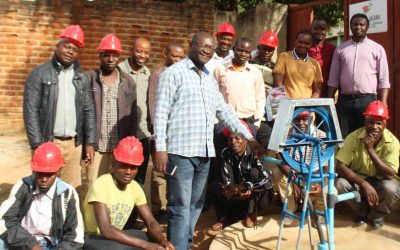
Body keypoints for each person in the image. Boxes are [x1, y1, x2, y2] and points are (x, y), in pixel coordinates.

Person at [153, 31, 265, 250]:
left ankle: (183, 243)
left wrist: (250, 138)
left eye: (211, 48)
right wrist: (160, 148)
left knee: (196, 204)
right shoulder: (173, 73)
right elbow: (160, 112)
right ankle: (179, 246)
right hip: (180, 153)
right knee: (179, 205)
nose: (207, 50)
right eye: (203, 46)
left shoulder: (208, 78)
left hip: (204, 153)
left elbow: (225, 111)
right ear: (191, 45)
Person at [23, 25, 96, 190]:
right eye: (67, 46)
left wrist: (89, 142)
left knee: (70, 191)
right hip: (48, 142)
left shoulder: (81, 77)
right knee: (43, 189)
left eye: (75, 49)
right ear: (58, 46)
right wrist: (37, 145)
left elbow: (88, 110)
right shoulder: (39, 74)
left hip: (74, 145)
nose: (70, 51)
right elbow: (30, 111)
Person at [83, 136, 175, 250]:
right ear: (113, 165)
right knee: (124, 248)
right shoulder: (101, 184)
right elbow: (106, 229)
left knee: (152, 238)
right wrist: (145, 245)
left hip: (115, 237)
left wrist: (162, 241)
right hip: (94, 238)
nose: (128, 172)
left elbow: (151, 222)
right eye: (123, 166)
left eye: (133, 167)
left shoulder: (135, 188)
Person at [0, 142, 84, 250]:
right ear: (34, 171)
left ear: (58, 171)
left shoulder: (68, 193)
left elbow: (74, 236)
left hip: (54, 245)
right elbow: (5, 220)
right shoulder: (23, 186)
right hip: (22, 242)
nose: (44, 179)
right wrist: (30, 245)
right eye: (40, 174)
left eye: (49, 175)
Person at [335, 101, 400, 229]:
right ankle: (362, 212)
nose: (374, 127)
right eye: (371, 122)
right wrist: (364, 184)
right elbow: (340, 166)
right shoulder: (354, 137)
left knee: (391, 188)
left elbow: (390, 173)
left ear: (385, 124)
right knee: (340, 184)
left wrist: (370, 150)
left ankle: (377, 215)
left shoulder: (392, 142)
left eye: (379, 123)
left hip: (381, 181)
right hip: (360, 181)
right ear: (365, 122)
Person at [86, 34, 137, 187]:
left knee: (114, 187)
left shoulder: (127, 82)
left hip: (118, 146)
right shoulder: (89, 79)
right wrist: (88, 143)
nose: (110, 59)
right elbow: (83, 113)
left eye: (114, 56)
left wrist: (128, 144)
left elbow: (133, 115)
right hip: (96, 146)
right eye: (106, 55)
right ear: (100, 56)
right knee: (92, 185)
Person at [327, 13, 390, 138]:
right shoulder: (340, 49)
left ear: (367, 27)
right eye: (355, 24)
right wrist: (328, 101)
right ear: (350, 26)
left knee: (367, 135)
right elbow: (333, 79)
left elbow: (384, 80)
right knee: (344, 137)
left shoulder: (377, 48)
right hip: (345, 101)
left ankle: (365, 158)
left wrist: (383, 103)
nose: (358, 27)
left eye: (362, 24)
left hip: (368, 100)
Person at [209, 122, 272, 231]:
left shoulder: (255, 153)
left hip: (256, 195)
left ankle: (251, 212)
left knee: (255, 173)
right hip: (237, 194)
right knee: (215, 186)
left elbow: (267, 181)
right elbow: (227, 179)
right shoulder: (226, 153)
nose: (233, 142)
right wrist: (234, 192)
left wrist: (245, 186)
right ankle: (228, 216)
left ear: (246, 140)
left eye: (237, 138)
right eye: (230, 139)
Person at [268, 111, 327, 225]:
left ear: (312, 118)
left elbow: (326, 164)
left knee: (330, 188)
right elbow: (279, 158)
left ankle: (319, 211)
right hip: (293, 175)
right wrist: (295, 181)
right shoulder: (286, 134)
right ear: (292, 119)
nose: (301, 123)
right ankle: (290, 209)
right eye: (297, 119)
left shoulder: (322, 136)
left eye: (305, 119)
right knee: (276, 172)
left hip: (314, 176)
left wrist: (321, 182)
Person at [148, 42, 185, 221]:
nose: (177, 60)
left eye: (180, 57)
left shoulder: (184, 75)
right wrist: (159, 134)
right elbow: (154, 106)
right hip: (162, 133)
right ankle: (158, 208)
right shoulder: (158, 75)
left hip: (178, 134)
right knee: (159, 172)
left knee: (174, 171)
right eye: (174, 56)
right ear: (165, 55)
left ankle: (172, 206)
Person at [119, 37, 152, 186]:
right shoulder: (119, 70)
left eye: (146, 52)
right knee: (120, 175)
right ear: (132, 50)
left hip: (143, 133)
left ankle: (134, 209)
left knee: (139, 177)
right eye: (139, 51)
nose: (142, 55)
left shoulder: (148, 74)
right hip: (123, 132)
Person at [249, 30, 279, 149]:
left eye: (270, 49)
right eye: (264, 48)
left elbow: (277, 95)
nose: (267, 52)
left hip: (266, 118)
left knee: (265, 148)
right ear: (258, 47)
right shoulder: (249, 64)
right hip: (249, 114)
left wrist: (275, 119)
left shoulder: (276, 69)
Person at [273, 29, 323, 99]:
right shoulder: (284, 57)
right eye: (300, 42)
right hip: (286, 104)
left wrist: (308, 105)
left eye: (306, 43)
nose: (303, 45)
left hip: (307, 107)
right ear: (295, 41)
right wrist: (286, 105)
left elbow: (317, 91)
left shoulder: (315, 64)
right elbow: (277, 85)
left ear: (311, 45)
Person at [309, 17, 336, 96]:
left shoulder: (333, 50)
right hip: (305, 92)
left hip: (325, 94)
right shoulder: (303, 48)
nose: (319, 32)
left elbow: (335, 74)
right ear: (311, 29)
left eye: (322, 29)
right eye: (316, 29)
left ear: (326, 30)